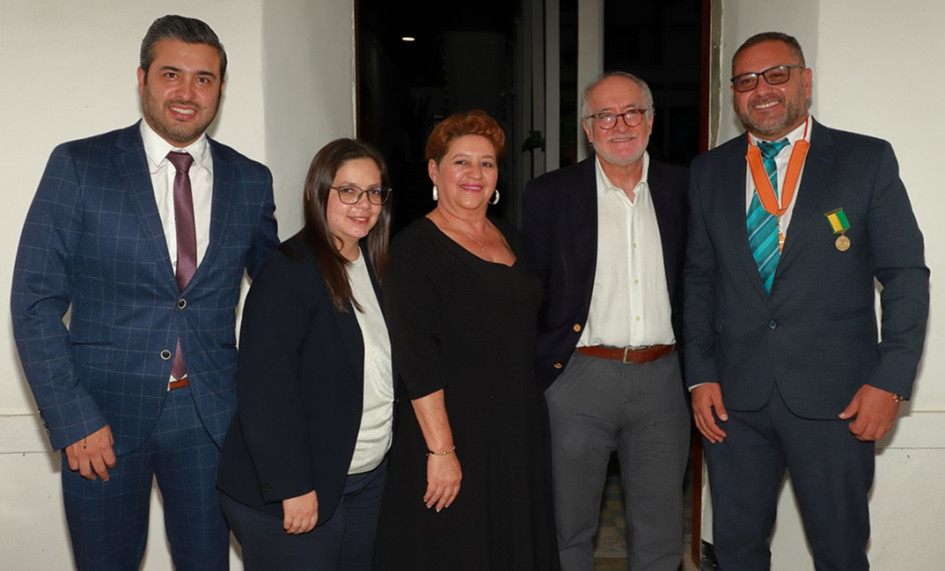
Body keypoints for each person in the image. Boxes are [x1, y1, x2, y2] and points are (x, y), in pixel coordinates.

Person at [10, 15, 279, 570]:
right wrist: (72, 417)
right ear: (142, 78)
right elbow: (34, 301)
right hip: (99, 421)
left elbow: (281, 293)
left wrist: (345, 252)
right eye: (171, 74)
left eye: (204, 79)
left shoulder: (252, 180)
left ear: (221, 88)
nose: (187, 93)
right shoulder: (79, 166)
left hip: (211, 423)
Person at [684, 31, 929, 570]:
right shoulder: (710, 171)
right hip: (734, 404)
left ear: (805, 80)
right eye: (746, 81)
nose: (761, 90)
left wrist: (890, 381)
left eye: (777, 74)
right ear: (734, 94)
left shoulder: (865, 160)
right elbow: (699, 280)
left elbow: (906, 276)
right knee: (735, 551)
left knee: (840, 553)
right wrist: (700, 375)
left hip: (837, 402)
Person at [372, 110, 559, 570]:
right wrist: (441, 450)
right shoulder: (415, 249)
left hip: (515, 429)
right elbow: (416, 356)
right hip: (454, 431)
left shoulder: (508, 236)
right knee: (459, 549)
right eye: (461, 162)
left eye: (487, 163)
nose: (475, 174)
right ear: (435, 171)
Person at [522, 72, 691, 571]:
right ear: (588, 130)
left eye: (632, 112)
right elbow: (532, 291)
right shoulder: (549, 195)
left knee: (662, 528)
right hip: (577, 379)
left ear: (651, 121)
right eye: (605, 116)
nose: (620, 124)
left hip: (664, 379)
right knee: (566, 527)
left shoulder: (686, 188)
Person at [216, 138, 394, 570]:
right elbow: (265, 390)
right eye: (348, 190)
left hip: (361, 478)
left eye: (374, 192)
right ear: (319, 192)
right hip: (294, 488)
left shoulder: (369, 263)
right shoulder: (289, 270)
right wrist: (292, 487)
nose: (363, 204)